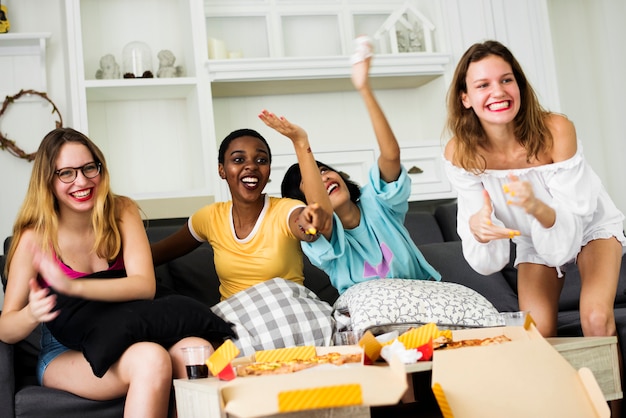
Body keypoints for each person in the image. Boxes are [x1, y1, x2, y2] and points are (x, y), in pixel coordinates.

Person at [0, 128, 213, 418]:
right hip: (66, 351)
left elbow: (144, 286)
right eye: (66, 173)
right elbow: (6, 327)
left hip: (131, 333)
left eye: (89, 168)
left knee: (198, 351)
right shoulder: (33, 238)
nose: (82, 181)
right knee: (151, 359)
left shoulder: (122, 211)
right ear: (48, 181)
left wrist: (73, 287)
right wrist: (31, 314)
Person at [442, 40, 626, 338]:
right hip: (533, 237)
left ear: (519, 87)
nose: (498, 91)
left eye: (506, 80)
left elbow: (574, 215)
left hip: (590, 224)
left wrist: (537, 207)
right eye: (483, 85)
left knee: (595, 317)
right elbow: (483, 237)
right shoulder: (460, 152)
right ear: (465, 98)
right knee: (536, 333)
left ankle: (607, 387)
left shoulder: (556, 130)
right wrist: (478, 227)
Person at [280, 37, 441, 295]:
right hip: (368, 316)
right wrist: (301, 143)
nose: (323, 178)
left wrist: (364, 88)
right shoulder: (322, 238)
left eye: (324, 170)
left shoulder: (378, 203)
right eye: (312, 181)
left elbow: (390, 155)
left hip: (424, 297)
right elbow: (318, 214)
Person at [151, 127, 331, 300]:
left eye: (261, 160)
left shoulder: (286, 209)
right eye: (238, 160)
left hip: (288, 314)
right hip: (237, 321)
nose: (251, 166)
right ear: (222, 170)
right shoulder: (209, 218)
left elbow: (308, 222)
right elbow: (157, 253)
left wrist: (311, 223)